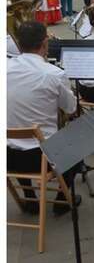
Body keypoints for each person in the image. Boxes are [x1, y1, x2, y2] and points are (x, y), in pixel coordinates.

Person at [7, 21, 79, 215]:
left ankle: (30, 197)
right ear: (45, 43)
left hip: (7, 156)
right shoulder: (53, 74)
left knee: (19, 134)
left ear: (19, 44)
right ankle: (62, 201)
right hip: (42, 158)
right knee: (81, 141)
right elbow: (71, 108)